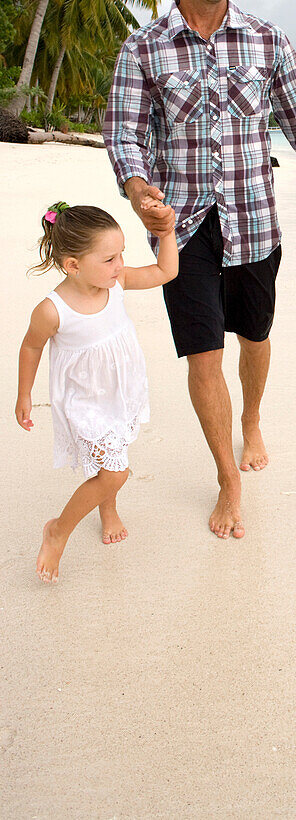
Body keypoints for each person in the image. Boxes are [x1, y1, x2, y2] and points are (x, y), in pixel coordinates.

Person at [103, 0, 296, 541]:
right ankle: (228, 475)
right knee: (203, 354)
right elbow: (123, 136)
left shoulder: (268, 40)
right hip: (183, 227)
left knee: (254, 337)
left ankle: (252, 417)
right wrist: (142, 193)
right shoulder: (143, 47)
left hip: (254, 218)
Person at [15, 201, 179, 583]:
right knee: (114, 472)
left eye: (121, 254)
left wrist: (167, 233)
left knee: (112, 460)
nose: (119, 264)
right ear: (73, 265)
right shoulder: (53, 310)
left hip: (120, 392)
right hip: (85, 402)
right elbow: (31, 347)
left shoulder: (116, 283)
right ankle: (58, 530)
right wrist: (24, 395)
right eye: (109, 259)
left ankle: (107, 511)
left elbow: (165, 270)